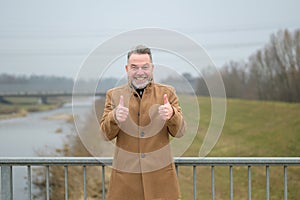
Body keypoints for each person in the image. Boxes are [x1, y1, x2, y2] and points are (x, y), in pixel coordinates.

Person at [100, 45, 186, 200]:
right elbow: (105, 135)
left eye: (145, 67)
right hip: (125, 184)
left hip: (161, 183)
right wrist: (114, 117)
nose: (140, 72)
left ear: (152, 68)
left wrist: (172, 114)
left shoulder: (167, 93)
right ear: (127, 69)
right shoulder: (113, 95)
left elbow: (180, 132)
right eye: (134, 67)